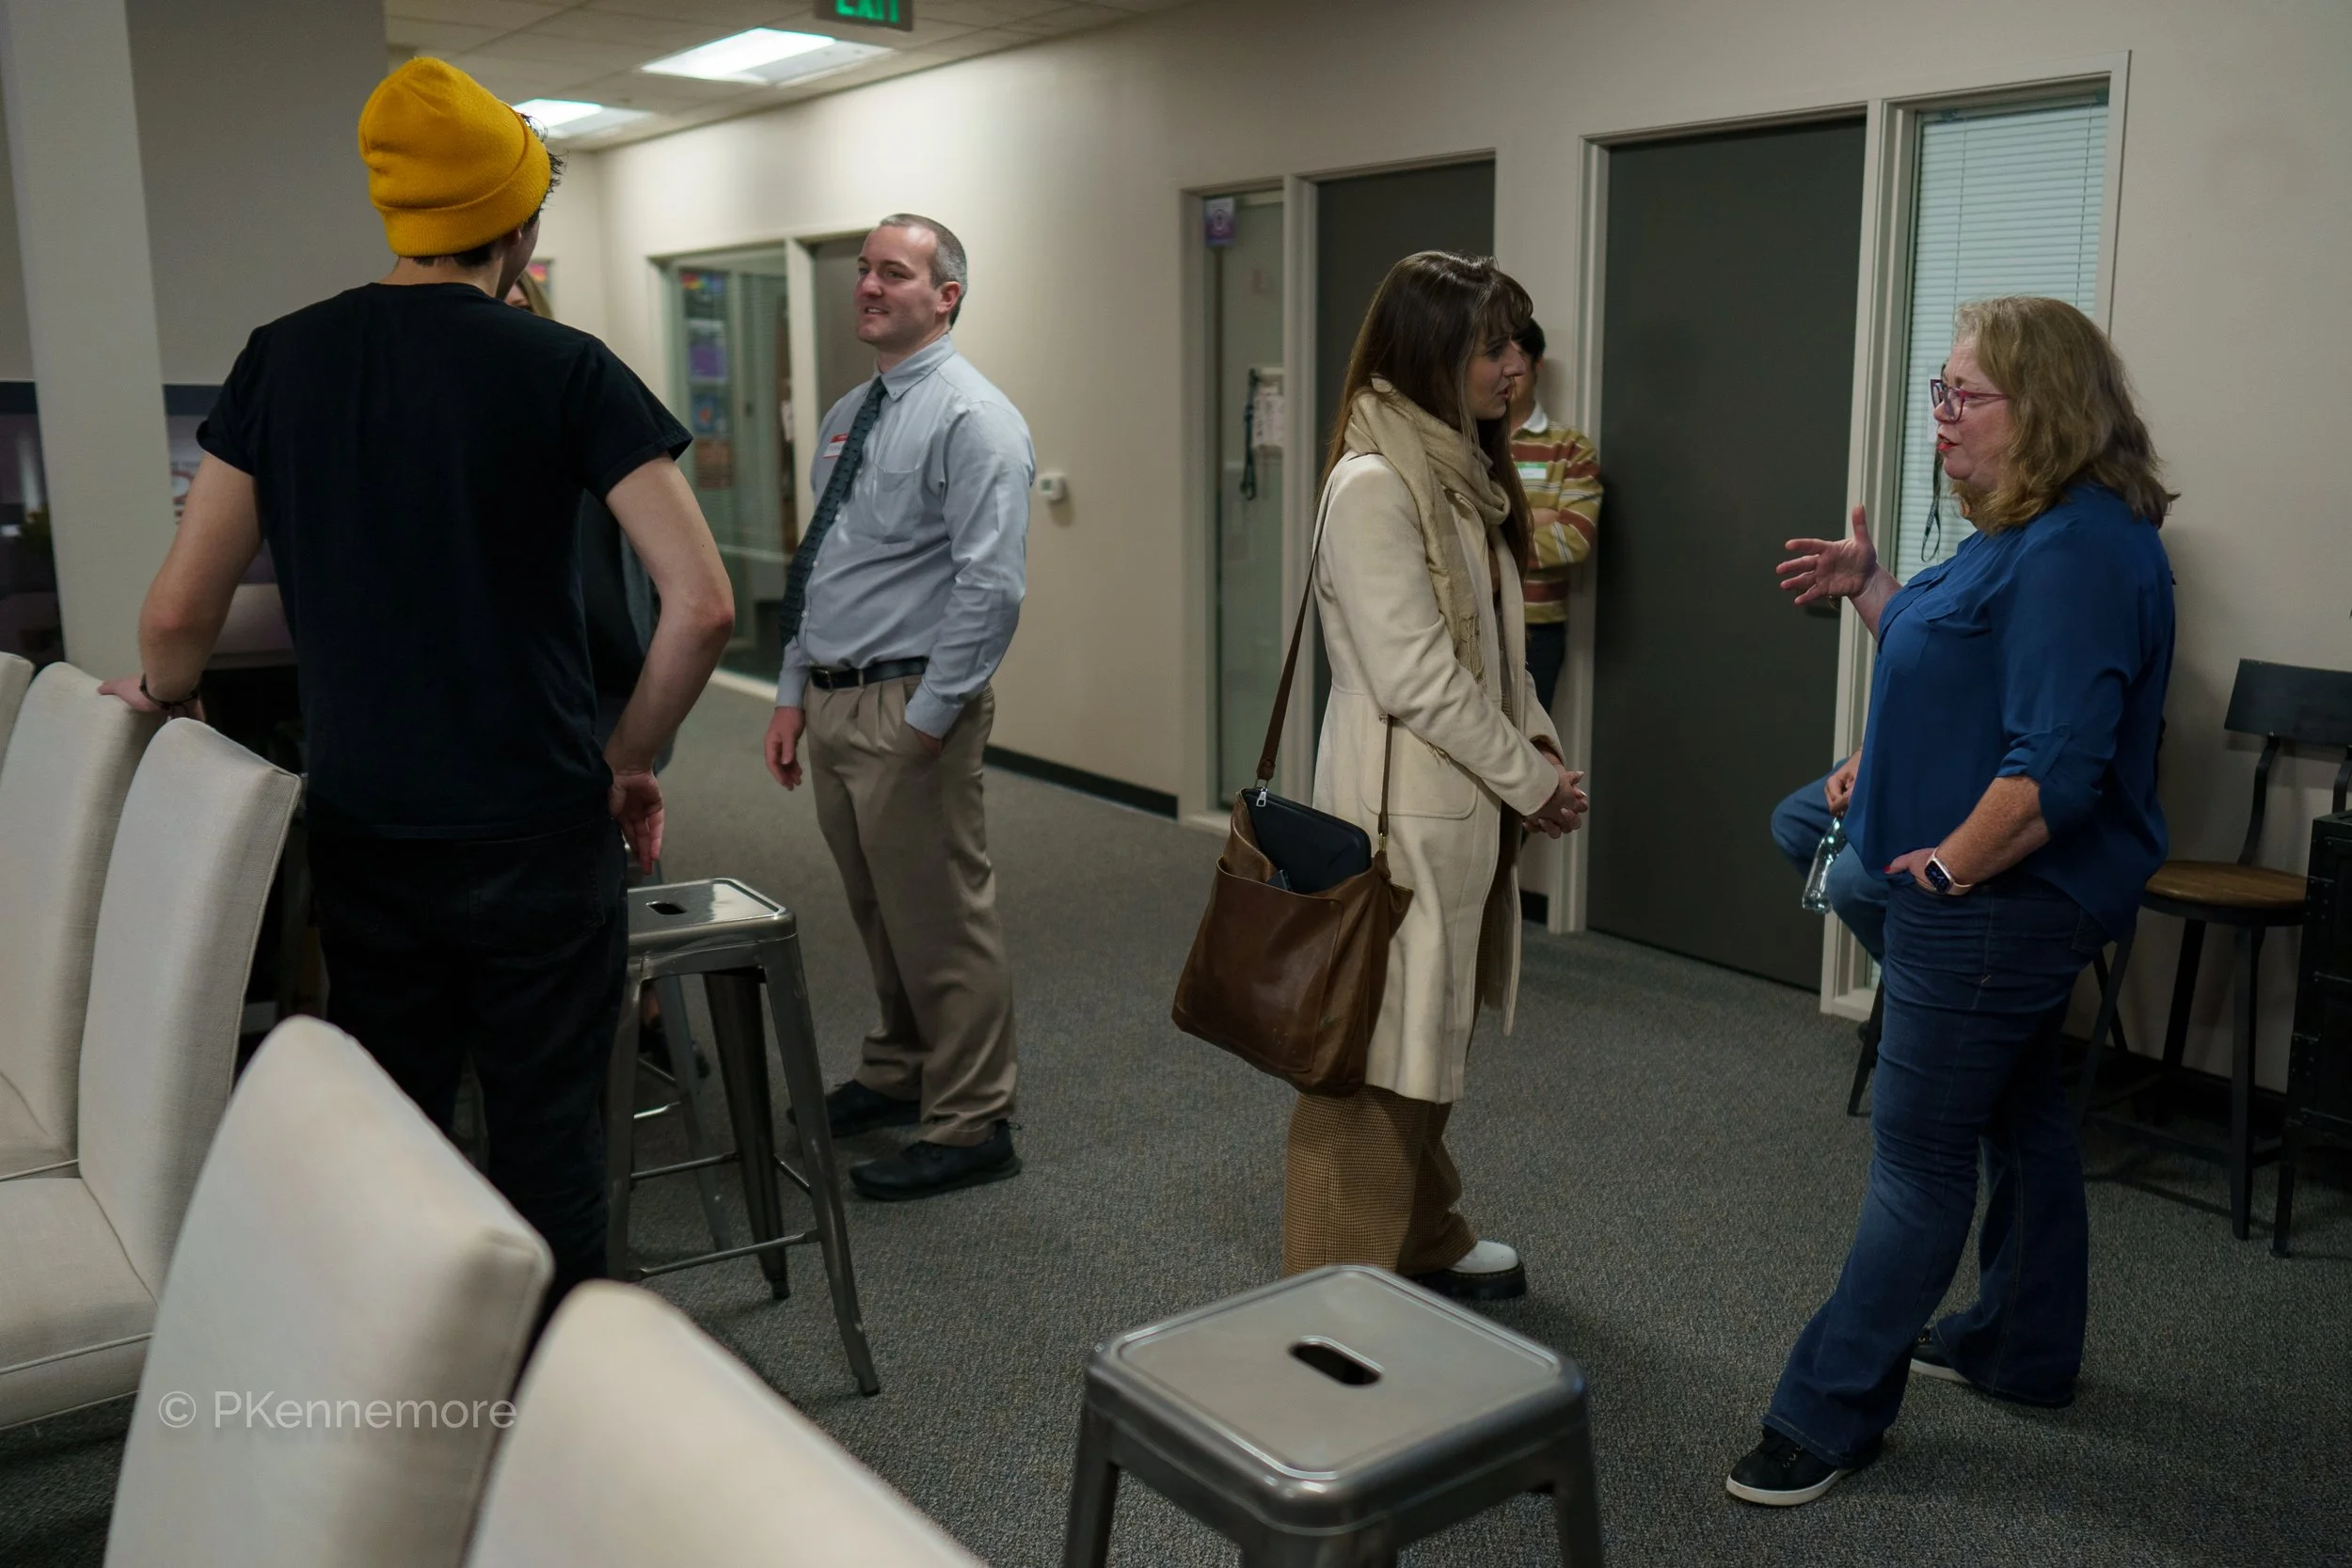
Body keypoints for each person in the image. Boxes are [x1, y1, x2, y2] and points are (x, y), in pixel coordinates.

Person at [102, 58, 735, 1302]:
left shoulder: (281, 359)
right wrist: (628, 758)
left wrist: (169, 696)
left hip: (369, 831)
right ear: (521, 225)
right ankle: (552, 1396)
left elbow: (178, 612)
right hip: (539, 825)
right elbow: (703, 605)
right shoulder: (566, 367)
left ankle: (412, 1384)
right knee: (548, 1149)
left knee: (396, 1139)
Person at [1727, 295, 2174, 1506]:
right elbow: (1963, 658)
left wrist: (1946, 873)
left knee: (1918, 1161)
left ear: (2046, 408)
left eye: (1962, 396)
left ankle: (1824, 1412)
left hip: (1994, 901)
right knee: (2015, 1107)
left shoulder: (2079, 550)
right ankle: (2020, 1345)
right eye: (1939, 391)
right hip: (1962, 892)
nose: (1940, 417)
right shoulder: (2019, 528)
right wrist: (1872, 587)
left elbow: (2054, 771)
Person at [1284, 252, 1589, 1300]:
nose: (1515, 366)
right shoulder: (1376, 482)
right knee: (1374, 1060)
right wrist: (1529, 783)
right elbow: (1415, 674)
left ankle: (1422, 1235)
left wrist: (1537, 743)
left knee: (1425, 1039)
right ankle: (1329, 1303)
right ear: (1432, 353)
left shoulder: (1457, 470)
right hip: (1397, 809)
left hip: (1455, 800)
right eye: (1491, 348)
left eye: (1515, 345)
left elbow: (1498, 652)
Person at [761, 214, 1033, 1202]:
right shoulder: (851, 411)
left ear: (945, 295)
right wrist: (791, 690)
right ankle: (902, 1067)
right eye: (865, 270)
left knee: (942, 918)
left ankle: (973, 1119)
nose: (870, 286)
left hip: (908, 703)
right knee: (881, 909)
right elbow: (826, 561)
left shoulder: (974, 417)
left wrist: (931, 714)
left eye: (895, 272)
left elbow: (991, 585)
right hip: (836, 699)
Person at [1505, 319, 1600, 713]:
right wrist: (1535, 517)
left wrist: (1492, 536)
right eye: (1493, 357)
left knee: (1529, 744)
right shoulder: (1462, 440)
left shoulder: (1570, 448)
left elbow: (1575, 539)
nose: (1506, 372)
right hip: (1465, 623)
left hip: (1536, 631)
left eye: (1516, 359)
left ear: (1537, 364)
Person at [1768, 750, 1886, 961]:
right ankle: (1894, 959)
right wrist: (1863, 754)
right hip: (1886, 759)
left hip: (1930, 782)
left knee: (1848, 883)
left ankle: (1907, 968)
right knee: (1793, 825)